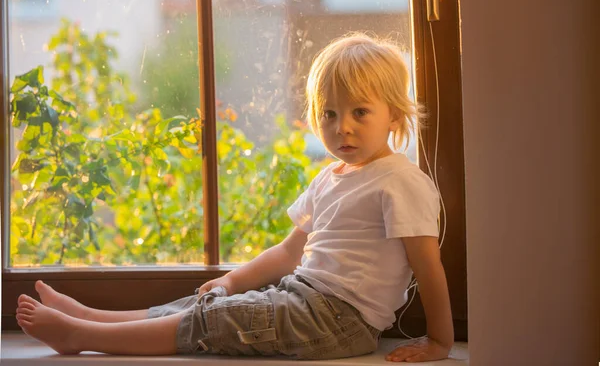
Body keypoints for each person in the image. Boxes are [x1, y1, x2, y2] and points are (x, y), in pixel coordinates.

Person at [16, 33, 454, 362]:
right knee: (212, 302)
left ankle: (82, 338)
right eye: (329, 113)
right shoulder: (330, 178)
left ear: (394, 113)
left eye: (360, 112)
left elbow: (427, 265)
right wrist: (230, 280)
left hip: (342, 321)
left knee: (222, 320)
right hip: (304, 297)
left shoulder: (400, 180)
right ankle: (91, 317)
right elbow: (288, 252)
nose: (343, 127)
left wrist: (440, 340)